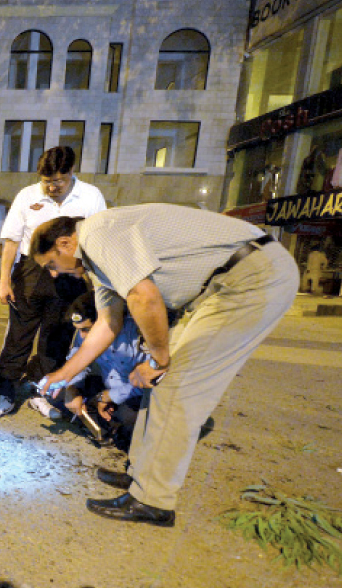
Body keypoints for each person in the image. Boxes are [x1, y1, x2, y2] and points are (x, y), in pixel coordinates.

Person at [32, 206, 298, 526]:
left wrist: (158, 359)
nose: (54, 273)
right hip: (220, 285)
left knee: (174, 385)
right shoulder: (99, 261)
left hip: (251, 275)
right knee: (156, 385)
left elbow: (144, 298)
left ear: (64, 244)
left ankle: (153, 501)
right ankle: (140, 476)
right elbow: (108, 323)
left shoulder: (97, 233)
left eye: (50, 264)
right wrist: (63, 374)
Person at [0, 146, 106, 420]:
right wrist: (4, 281)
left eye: (58, 181)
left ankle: (41, 394)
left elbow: (99, 239)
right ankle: (5, 393)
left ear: (72, 173)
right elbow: (12, 240)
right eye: (46, 181)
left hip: (71, 273)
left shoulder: (91, 196)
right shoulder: (27, 195)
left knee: (56, 338)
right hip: (31, 271)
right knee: (19, 336)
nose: (51, 187)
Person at [43, 291, 147, 452]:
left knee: (128, 417)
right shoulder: (83, 334)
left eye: (87, 329)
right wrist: (72, 389)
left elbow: (148, 383)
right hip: (108, 387)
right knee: (58, 391)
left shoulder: (136, 333)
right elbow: (77, 361)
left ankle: (127, 443)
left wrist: (108, 397)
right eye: (79, 330)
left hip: (136, 393)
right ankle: (104, 428)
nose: (82, 336)